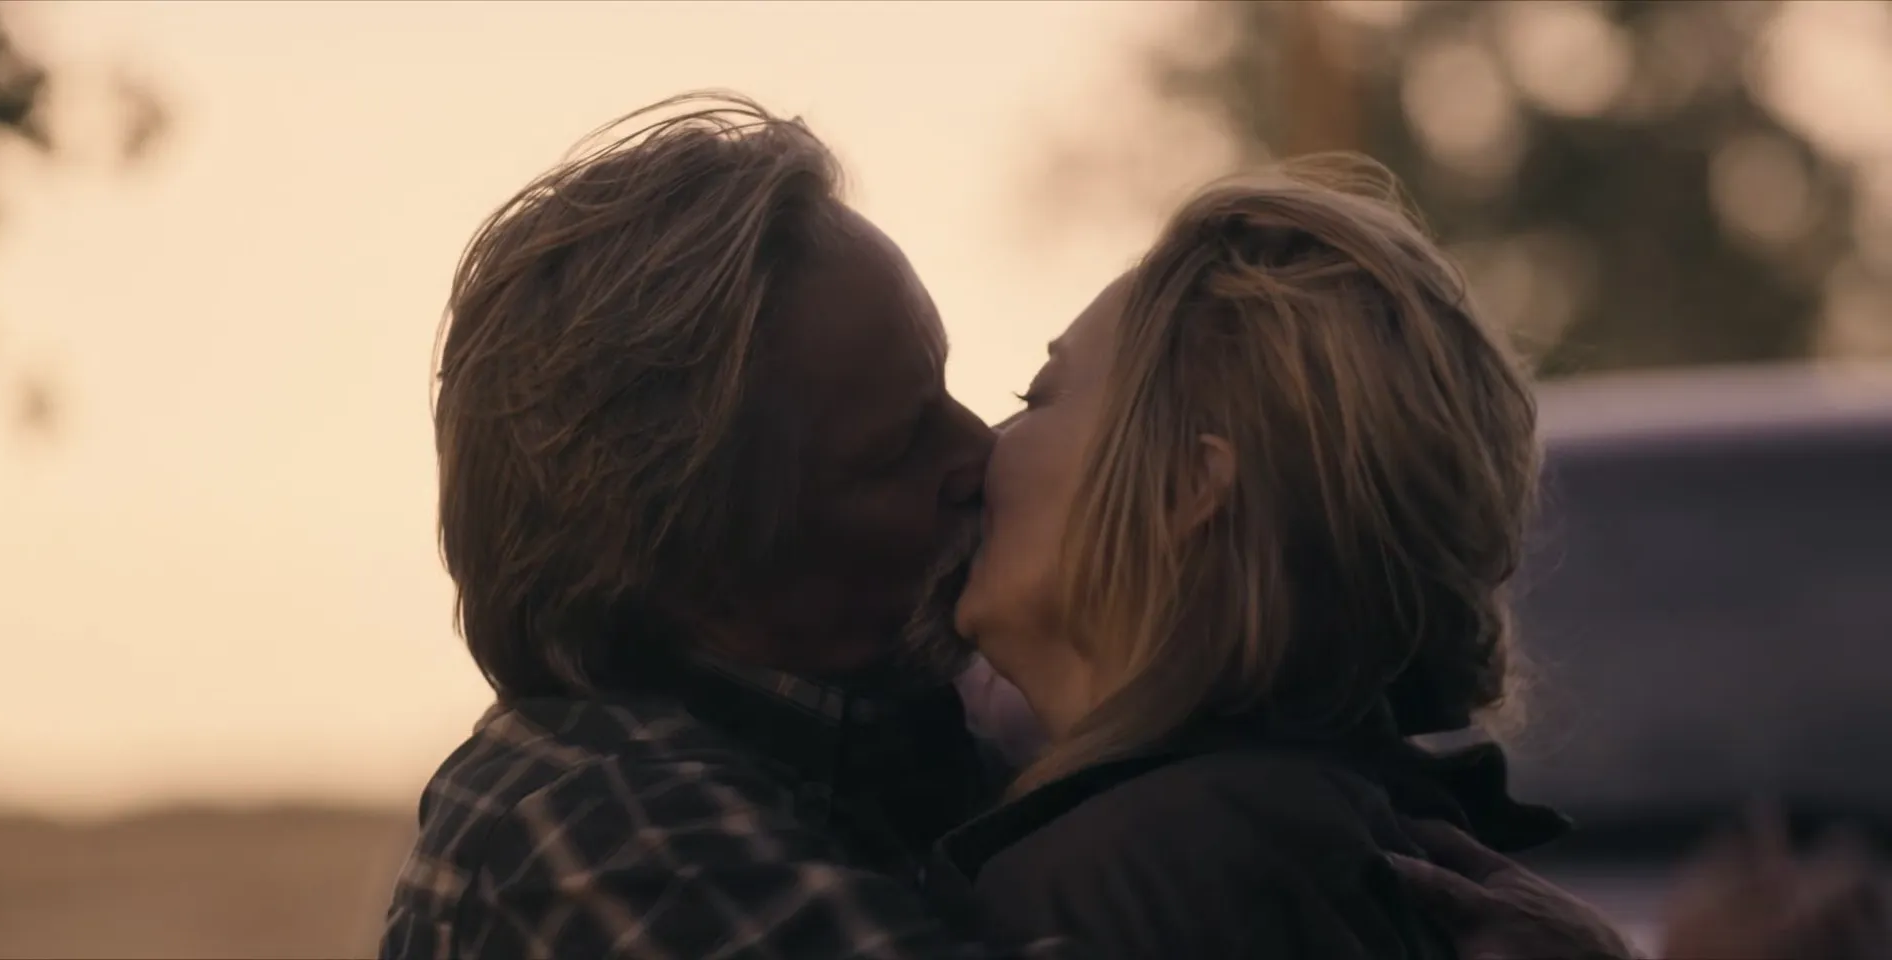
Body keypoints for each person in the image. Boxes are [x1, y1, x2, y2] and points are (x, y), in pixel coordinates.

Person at [374, 90, 1718, 960]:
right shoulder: (587, 832)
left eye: (1007, 394)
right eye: (899, 446)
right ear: (701, 553)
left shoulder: (1074, 812)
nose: (976, 454)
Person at [912, 161, 1892, 960]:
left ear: (1187, 486)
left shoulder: (1132, 880)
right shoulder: (1361, 838)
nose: (983, 447)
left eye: (1038, 396)